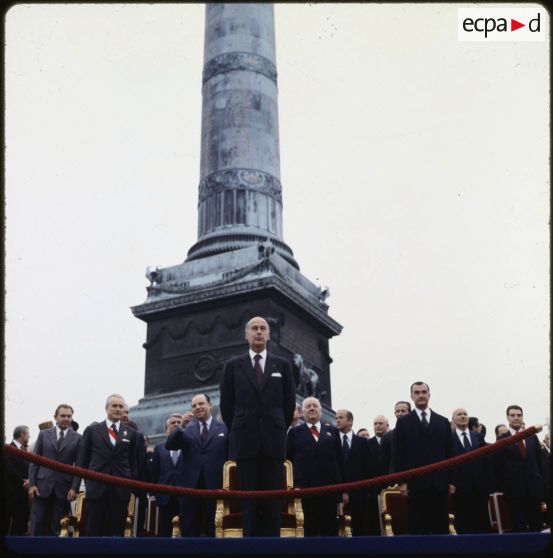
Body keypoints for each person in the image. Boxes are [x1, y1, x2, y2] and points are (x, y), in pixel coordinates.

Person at [219, 316, 295, 537]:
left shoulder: (283, 365)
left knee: (273, 503)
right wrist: (240, 430)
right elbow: (227, 405)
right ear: (246, 334)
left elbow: (288, 405)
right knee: (249, 504)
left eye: (263, 328)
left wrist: (278, 427)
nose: (259, 332)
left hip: (274, 442)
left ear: (269, 335)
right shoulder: (233, 366)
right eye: (254, 328)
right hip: (245, 443)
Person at [392, 381, 454, 534]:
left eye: (424, 392)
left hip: (440, 484)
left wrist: (452, 480)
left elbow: (450, 453)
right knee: (418, 528)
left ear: (429, 395)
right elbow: (398, 453)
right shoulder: (403, 422)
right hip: (416, 484)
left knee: (441, 529)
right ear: (412, 396)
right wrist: (402, 481)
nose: (421, 395)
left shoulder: (442, 421)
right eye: (417, 392)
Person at [76, 394, 141, 536]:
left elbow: (132, 462)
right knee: (93, 531)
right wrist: (81, 485)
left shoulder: (131, 434)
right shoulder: (92, 431)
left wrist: (131, 486)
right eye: (114, 406)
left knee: (117, 532)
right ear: (106, 408)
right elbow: (83, 461)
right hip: (96, 489)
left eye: (121, 406)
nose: (118, 409)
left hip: (120, 490)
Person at [166, 394, 228, 536]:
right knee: (190, 528)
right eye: (194, 406)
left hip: (215, 486)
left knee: (214, 528)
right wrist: (180, 427)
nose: (197, 407)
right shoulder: (187, 429)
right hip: (191, 487)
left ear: (210, 405)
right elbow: (170, 445)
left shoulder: (224, 428)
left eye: (201, 404)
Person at [287, 397, 344, 536]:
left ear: (321, 411)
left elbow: (340, 461)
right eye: (308, 406)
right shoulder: (294, 433)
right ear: (302, 412)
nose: (312, 408)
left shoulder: (333, 431)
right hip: (305, 489)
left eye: (315, 406)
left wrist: (343, 490)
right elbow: (289, 460)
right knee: (310, 529)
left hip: (330, 489)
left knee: (330, 529)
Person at [28, 404, 82, 536]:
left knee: (57, 527)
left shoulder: (78, 438)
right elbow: (34, 461)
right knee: (37, 525)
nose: (66, 418)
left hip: (63, 489)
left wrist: (74, 488)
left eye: (69, 416)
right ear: (55, 417)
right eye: (63, 416)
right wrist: (32, 485)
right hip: (41, 487)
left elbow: (79, 466)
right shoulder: (43, 434)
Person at [494, 405, 545, 532]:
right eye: (512, 415)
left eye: (519, 415)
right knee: (519, 527)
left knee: (537, 526)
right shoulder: (502, 439)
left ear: (522, 417)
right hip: (514, 491)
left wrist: (541, 484)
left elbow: (539, 463)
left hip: (533, 489)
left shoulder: (532, 436)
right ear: (507, 417)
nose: (516, 418)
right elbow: (498, 466)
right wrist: (504, 487)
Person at [450, 408, 491, 533]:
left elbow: (486, 461)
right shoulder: (448, 438)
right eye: (459, 414)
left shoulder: (478, 436)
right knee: (463, 522)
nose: (462, 416)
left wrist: (487, 482)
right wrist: (449, 482)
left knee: (483, 521)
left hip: (480, 487)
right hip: (459, 487)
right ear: (453, 419)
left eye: (465, 414)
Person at [335, 408, 373, 536]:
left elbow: (368, 467)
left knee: (361, 528)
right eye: (336, 418)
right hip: (336, 491)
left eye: (341, 418)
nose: (338, 420)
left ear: (350, 421)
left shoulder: (362, 442)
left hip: (359, 493)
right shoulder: (331, 440)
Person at [149, 414, 186, 536]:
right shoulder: (159, 448)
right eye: (173, 422)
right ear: (166, 429)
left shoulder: (188, 446)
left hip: (184, 495)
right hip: (164, 496)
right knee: (164, 531)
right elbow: (154, 472)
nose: (176, 424)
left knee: (186, 530)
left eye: (179, 422)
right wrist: (155, 494)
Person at [4, 425, 31, 535]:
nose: (29, 436)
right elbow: (9, 468)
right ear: (22, 434)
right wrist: (22, 482)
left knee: (21, 524)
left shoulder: (25, 450)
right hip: (10, 494)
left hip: (22, 495)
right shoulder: (7, 448)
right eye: (28, 434)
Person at [367, 415, 389, 535]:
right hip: (373, 488)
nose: (377, 426)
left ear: (387, 426)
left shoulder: (393, 440)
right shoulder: (367, 444)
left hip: (391, 486)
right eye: (375, 424)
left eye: (380, 423)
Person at [381, 401, 412, 474]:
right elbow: (385, 463)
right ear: (394, 413)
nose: (400, 413)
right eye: (397, 411)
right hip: (395, 478)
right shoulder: (387, 437)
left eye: (403, 411)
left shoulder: (417, 432)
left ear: (410, 413)